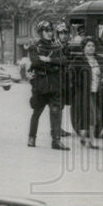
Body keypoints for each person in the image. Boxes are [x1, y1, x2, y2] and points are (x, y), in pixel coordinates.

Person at [27, 20, 69, 151]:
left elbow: (64, 61)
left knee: (56, 113)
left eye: (51, 30)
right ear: (41, 32)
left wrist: (49, 60)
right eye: (47, 31)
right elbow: (36, 62)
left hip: (55, 85)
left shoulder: (57, 46)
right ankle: (31, 137)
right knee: (37, 112)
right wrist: (53, 66)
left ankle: (56, 141)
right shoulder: (34, 46)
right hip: (41, 85)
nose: (50, 33)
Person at [67, 36, 103, 149]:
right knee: (92, 116)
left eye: (93, 46)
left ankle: (84, 137)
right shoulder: (78, 60)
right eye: (88, 46)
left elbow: (102, 74)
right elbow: (70, 74)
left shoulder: (99, 59)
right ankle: (91, 140)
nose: (91, 48)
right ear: (83, 48)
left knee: (93, 116)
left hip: (97, 92)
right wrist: (78, 85)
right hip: (84, 93)